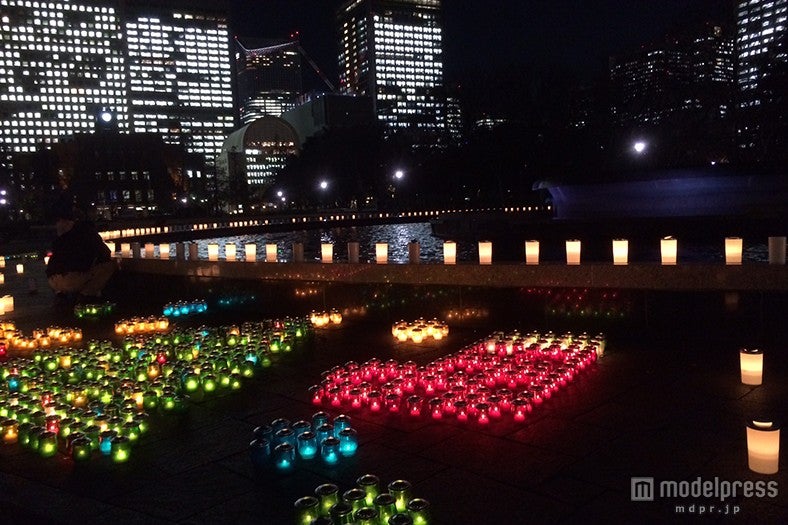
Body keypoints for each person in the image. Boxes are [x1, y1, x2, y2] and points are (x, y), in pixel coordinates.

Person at [46, 201, 116, 302]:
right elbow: (106, 253)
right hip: (72, 279)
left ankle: (61, 293)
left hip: (52, 281)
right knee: (109, 265)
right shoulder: (88, 233)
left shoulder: (60, 239)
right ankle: (87, 293)